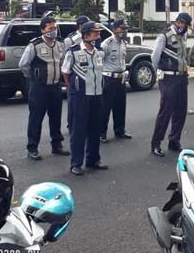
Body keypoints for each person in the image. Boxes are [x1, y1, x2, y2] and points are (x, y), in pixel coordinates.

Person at [19, 16, 68, 161]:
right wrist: (34, 77)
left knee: (56, 117)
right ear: (42, 30)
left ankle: (57, 145)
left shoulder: (60, 43)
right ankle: (32, 148)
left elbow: (63, 61)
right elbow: (23, 64)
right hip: (39, 88)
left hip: (55, 87)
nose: (53, 31)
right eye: (50, 28)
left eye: (55, 28)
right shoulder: (35, 45)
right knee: (36, 118)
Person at [63, 21, 108, 176]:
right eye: (96, 33)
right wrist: (74, 88)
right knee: (78, 130)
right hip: (80, 96)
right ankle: (76, 163)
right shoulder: (73, 52)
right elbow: (66, 72)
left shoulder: (99, 52)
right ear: (86, 35)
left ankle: (93, 159)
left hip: (97, 95)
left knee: (95, 129)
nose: (98, 36)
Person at [150, 13, 191, 157]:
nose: (184, 27)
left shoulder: (183, 36)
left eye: (186, 25)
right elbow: (155, 56)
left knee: (180, 111)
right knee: (165, 111)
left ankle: (174, 140)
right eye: (183, 24)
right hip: (168, 77)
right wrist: (159, 73)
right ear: (178, 22)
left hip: (181, 77)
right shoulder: (164, 36)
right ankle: (156, 143)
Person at [100, 19, 133, 142]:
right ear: (114, 29)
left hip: (121, 78)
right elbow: (99, 61)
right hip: (109, 78)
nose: (124, 31)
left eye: (125, 29)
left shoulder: (123, 43)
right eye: (122, 28)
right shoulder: (106, 44)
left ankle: (120, 130)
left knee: (120, 106)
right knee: (105, 107)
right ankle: (101, 133)